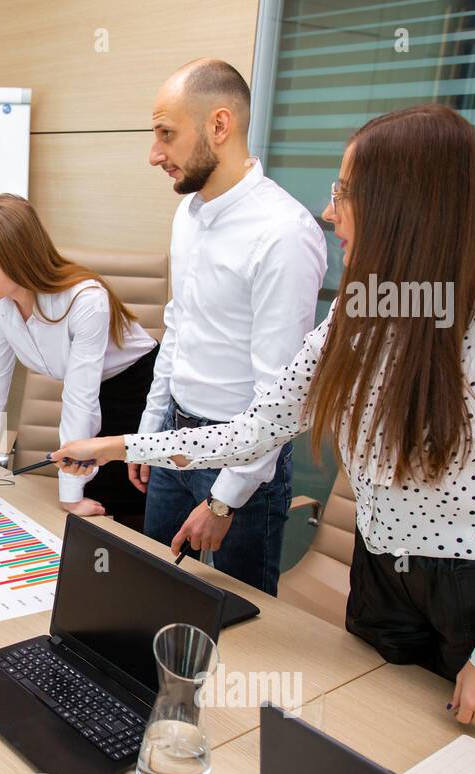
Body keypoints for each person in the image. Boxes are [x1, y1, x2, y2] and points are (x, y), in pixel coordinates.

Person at [53, 104, 475, 729]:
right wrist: (120, 447)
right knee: (378, 748)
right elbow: (255, 431)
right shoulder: (359, 312)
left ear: (404, 203)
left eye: (344, 191)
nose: (330, 210)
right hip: (382, 582)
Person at [134, 59, 327, 595]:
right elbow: (178, 326)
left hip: (243, 459)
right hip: (175, 437)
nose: (155, 155)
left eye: (166, 135)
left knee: (237, 623)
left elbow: (282, 395)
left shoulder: (283, 234)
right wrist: (152, 429)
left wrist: (225, 498)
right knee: (155, 592)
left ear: (220, 126)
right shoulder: (188, 214)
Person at [0, 194, 157, 517]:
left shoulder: (85, 301)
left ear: (22, 257)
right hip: (90, 393)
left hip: (135, 393)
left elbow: (80, 400)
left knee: (111, 510)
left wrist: (69, 493)